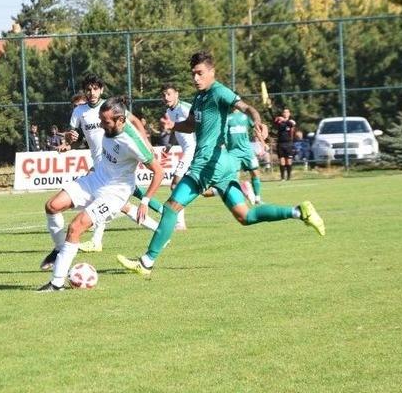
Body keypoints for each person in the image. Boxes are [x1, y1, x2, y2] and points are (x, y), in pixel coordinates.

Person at [117, 51, 325, 277]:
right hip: (222, 164)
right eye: (193, 74)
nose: (196, 78)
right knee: (246, 216)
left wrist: (258, 122)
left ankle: (146, 262)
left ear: (211, 72)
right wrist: (171, 126)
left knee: (170, 208)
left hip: (208, 162)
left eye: (200, 73)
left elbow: (248, 108)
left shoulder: (218, 91)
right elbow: (190, 125)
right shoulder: (199, 98)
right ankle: (299, 212)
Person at [38, 97, 164, 292]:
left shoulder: (132, 142)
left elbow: (159, 171)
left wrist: (145, 200)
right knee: (52, 206)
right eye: (100, 119)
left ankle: (57, 283)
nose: (101, 125)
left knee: (75, 227)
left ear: (120, 120)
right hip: (97, 178)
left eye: (105, 122)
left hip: (114, 193)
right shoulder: (108, 125)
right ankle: (59, 249)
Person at [204, 109, 265, 205]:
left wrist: (263, 142)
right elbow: (220, 134)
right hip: (233, 152)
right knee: (233, 177)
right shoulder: (226, 118)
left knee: (255, 172)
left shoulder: (245, 117)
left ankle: (257, 198)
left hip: (247, 150)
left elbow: (256, 129)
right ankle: (243, 191)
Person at [161, 84, 197, 230]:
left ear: (177, 94)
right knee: (199, 187)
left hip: (192, 150)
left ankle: (180, 223)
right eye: (163, 95)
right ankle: (227, 189)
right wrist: (169, 146)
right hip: (187, 150)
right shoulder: (169, 111)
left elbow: (198, 124)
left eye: (169, 94)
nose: (166, 97)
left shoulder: (185, 108)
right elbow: (174, 129)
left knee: (176, 184)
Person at [274, 108, 296, 181]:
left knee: (288, 161)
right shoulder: (279, 121)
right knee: (282, 161)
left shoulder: (291, 121)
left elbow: (291, 124)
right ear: (282, 114)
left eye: (287, 112)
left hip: (289, 143)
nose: (285, 113)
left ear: (289, 114)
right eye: (284, 112)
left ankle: (289, 177)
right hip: (280, 144)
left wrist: (284, 120)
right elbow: (274, 120)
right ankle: (282, 177)